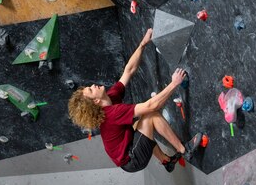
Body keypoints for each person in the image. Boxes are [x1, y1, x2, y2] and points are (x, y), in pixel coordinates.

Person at [68, 28, 201, 173]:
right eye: (91, 90)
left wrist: (142, 44)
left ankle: (166, 161)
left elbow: (129, 70)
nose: (93, 85)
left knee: (139, 123)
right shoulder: (111, 113)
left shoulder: (109, 97)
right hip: (132, 160)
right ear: (96, 102)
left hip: (128, 148)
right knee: (151, 116)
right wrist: (174, 83)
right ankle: (184, 150)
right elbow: (151, 106)